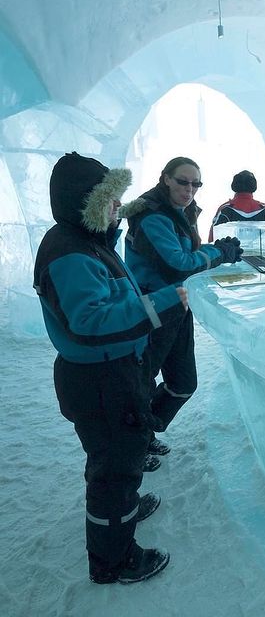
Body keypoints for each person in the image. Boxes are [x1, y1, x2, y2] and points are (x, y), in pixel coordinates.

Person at [33, 151, 190, 584]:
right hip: (97, 379)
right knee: (113, 467)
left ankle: (123, 509)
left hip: (113, 373)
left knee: (121, 453)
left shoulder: (89, 240)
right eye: (111, 199)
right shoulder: (69, 251)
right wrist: (160, 302)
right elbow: (90, 323)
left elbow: (113, 298)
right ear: (86, 201)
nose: (120, 206)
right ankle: (113, 561)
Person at [121, 157, 242, 462]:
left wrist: (212, 252)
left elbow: (184, 255)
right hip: (150, 309)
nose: (190, 189)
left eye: (196, 184)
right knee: (142, 383)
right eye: (183, 182)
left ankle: (143, 433)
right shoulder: (153, 216)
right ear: (165, 179)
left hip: (176, 304)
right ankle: (132, 448)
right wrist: (218, 253)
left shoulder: (178, 212)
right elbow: (176, 265)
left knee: (183, 382)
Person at [208, 169, 265, 241]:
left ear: (235, 185)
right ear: (253, 185)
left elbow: (212, 238)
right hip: (259, 256)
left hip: (231, 255)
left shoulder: (224, 210)